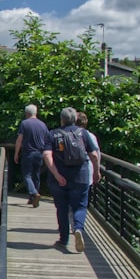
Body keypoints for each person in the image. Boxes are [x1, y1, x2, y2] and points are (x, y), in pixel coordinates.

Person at [43, 107, 100, 252]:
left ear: (62, 119)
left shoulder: (53, 134)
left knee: (61, 208)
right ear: (75, 119)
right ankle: (78, 229)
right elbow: (93, 155)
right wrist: (96, 172)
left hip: (59, 179)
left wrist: (56, 175)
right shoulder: (84, 133)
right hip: (80, 176)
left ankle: (63, 240)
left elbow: (47, 156)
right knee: (80, 206)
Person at [14, 104, 49, 208]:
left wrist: (16, 153)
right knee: (36, 175)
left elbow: (20, 139)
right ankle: (33, 198)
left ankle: (34, 193)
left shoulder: (24, 123)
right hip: (39, 153)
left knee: (27, 175)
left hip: (28, 153)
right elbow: (47, 139)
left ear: (26, 113)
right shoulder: (43, 125)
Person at [76, 112, 100, 186]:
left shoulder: (68, 134)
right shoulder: (90, 136)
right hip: (87, 173)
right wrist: (96, 171)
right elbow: (95, 155)